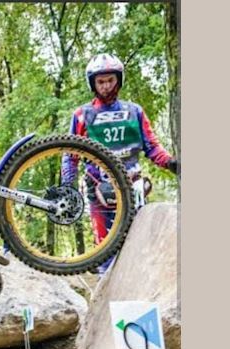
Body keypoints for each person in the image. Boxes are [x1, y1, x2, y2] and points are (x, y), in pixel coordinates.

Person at [60, 53, 179, 275]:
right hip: (99, 190)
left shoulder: (135, 111)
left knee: (140, 246)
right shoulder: (82, 115)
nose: (106, 86)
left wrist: (171, 163)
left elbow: (152, 147)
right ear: (93, 84)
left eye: (110, 80)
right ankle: (105, 288)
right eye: (101, 81)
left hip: (133, 187)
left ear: (119, 80)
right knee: (105, 251)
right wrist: (68, 186)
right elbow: (70, 155)